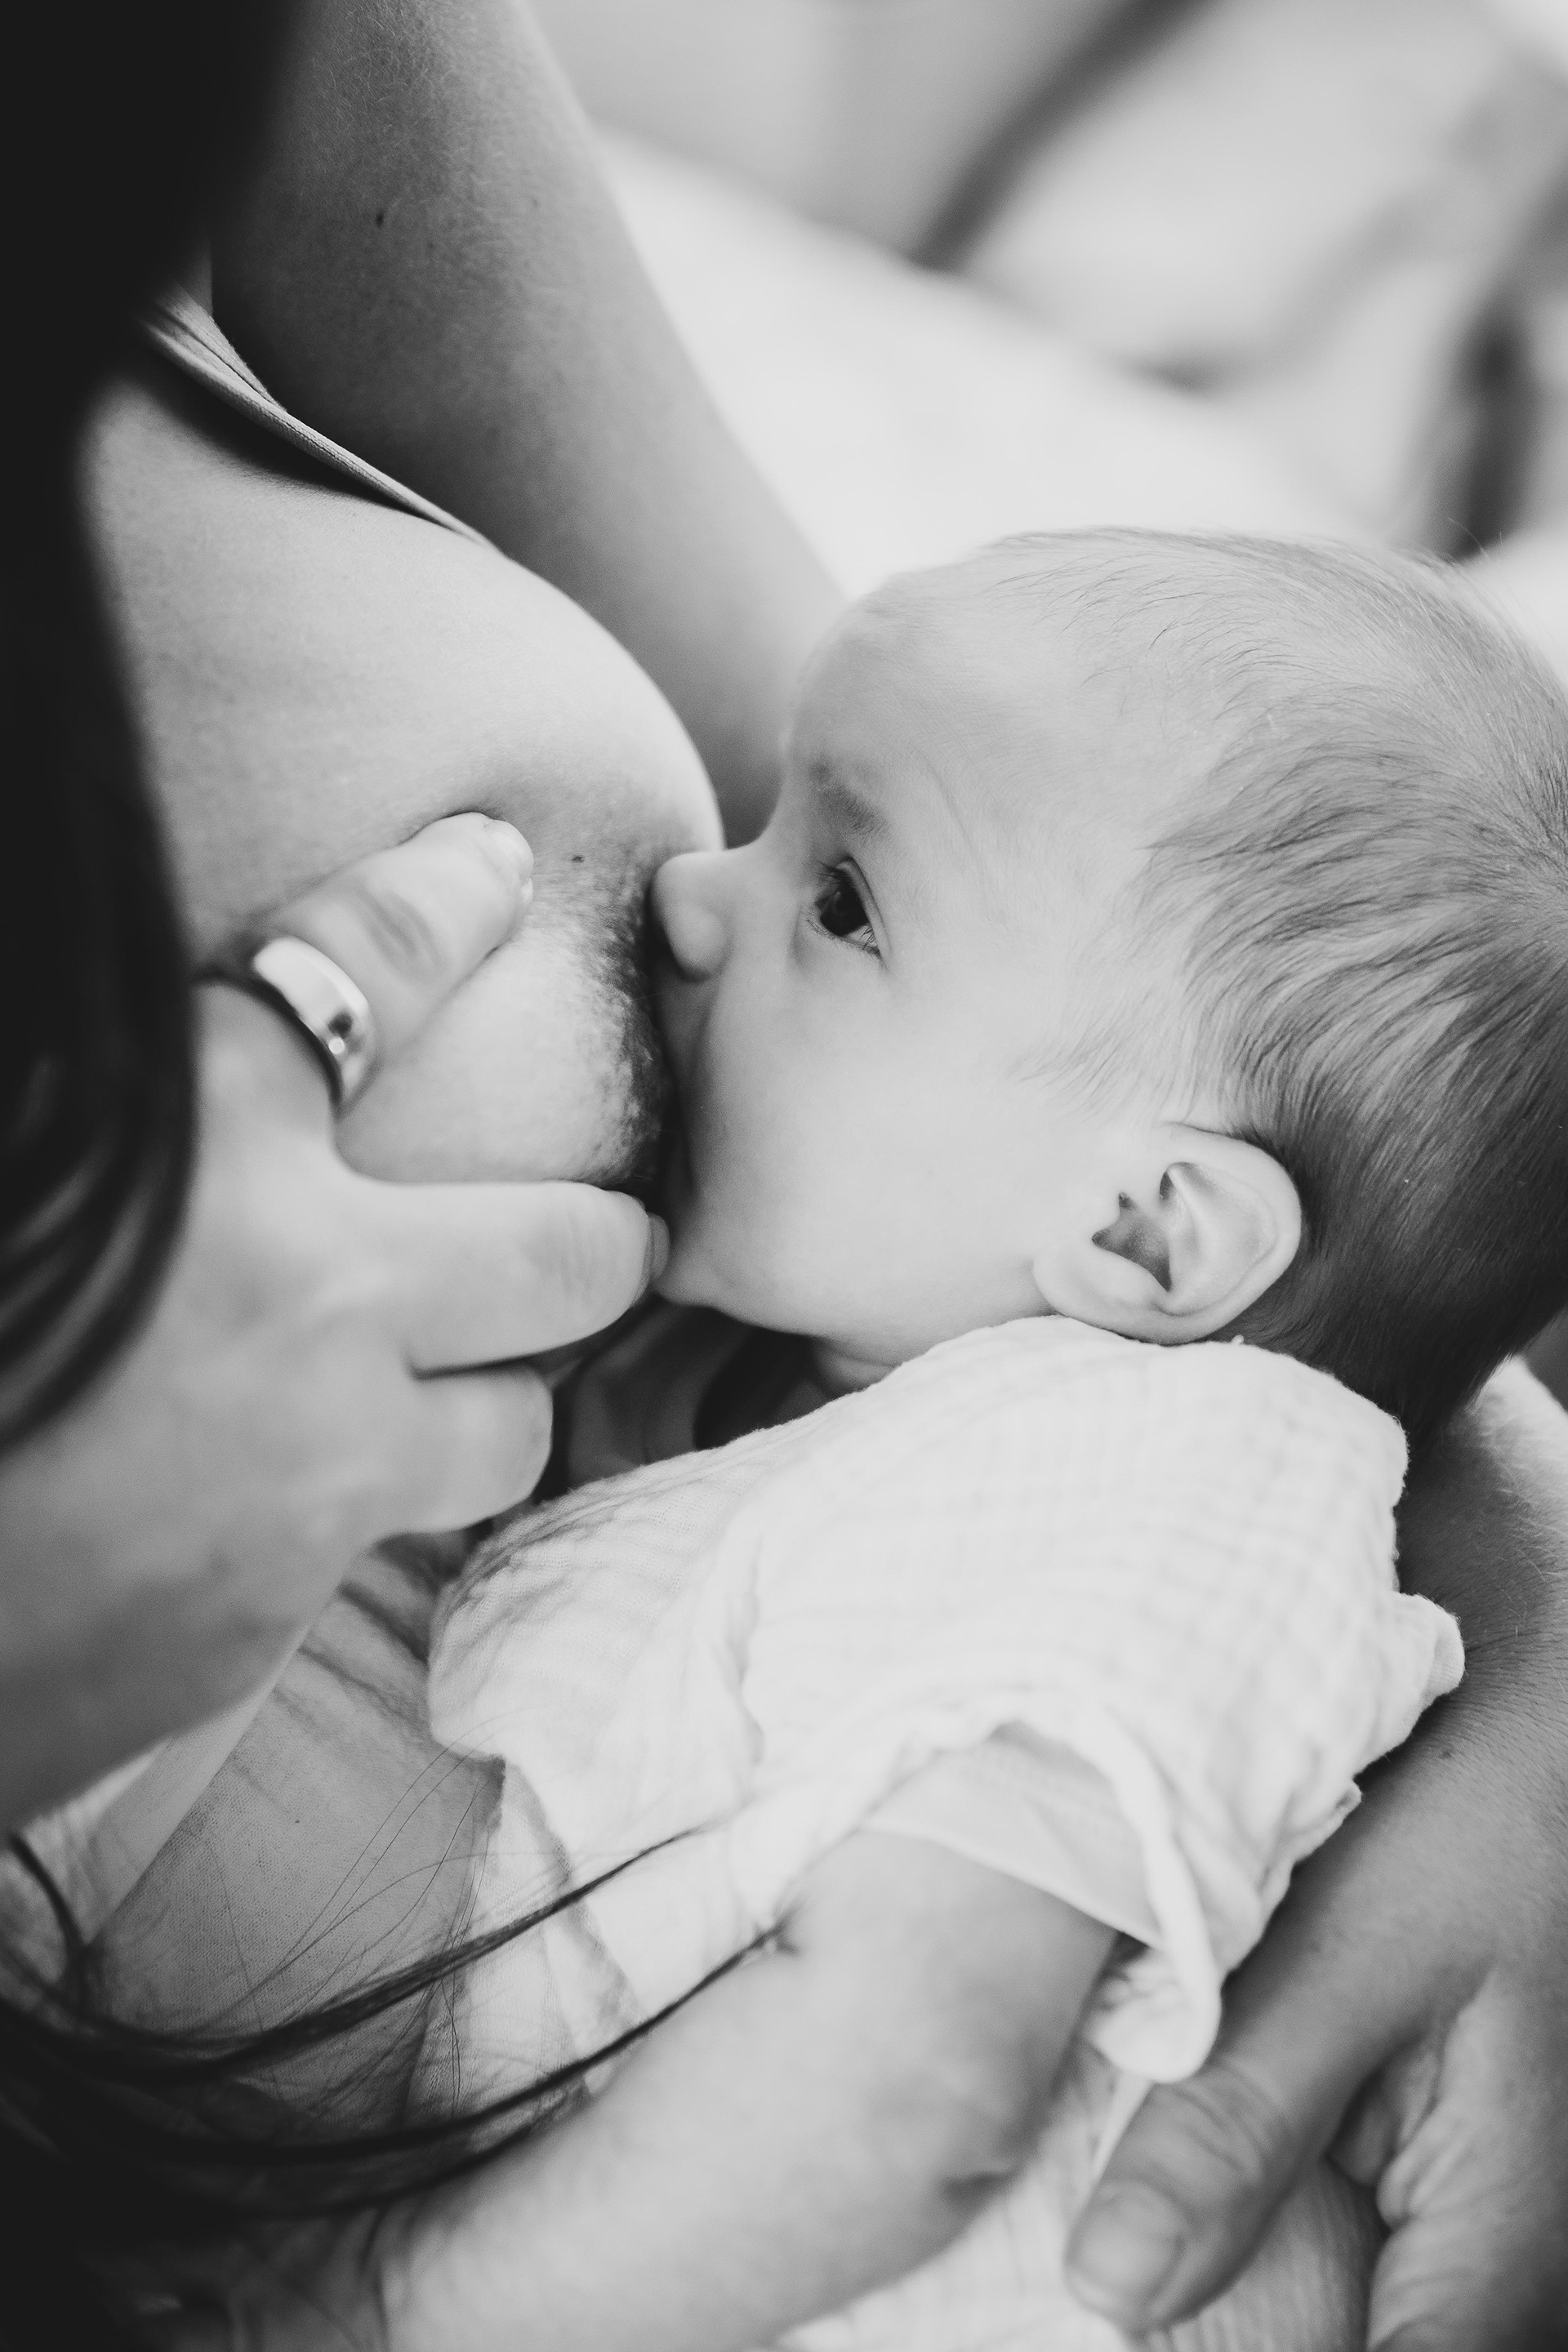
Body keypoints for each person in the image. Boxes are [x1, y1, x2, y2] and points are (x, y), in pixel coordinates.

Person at [16, 9, 1568, 2350]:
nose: (689, 893)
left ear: (1152, 1236)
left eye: (834, 896)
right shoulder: (984, 1429)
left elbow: (915, 2082)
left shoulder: (1126, 1486)